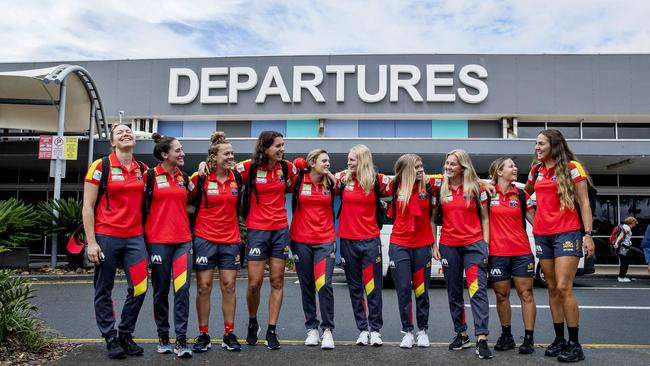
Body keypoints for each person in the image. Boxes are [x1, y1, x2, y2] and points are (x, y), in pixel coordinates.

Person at [524, 129, 595, 363]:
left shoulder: (573, 167)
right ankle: (559, 339)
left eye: (541, 143)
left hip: (568, 232)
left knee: (564, 287)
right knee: (552, 288)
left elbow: (584, 202)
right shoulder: (536, 171)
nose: (536, 147)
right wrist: (534, 219)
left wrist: (587, 234)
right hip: (543, 235)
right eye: (535, 143)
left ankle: (575, 345)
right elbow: (525, 196)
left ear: (553, 145)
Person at [83, 124, 148, 359]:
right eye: (119, 132)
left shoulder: (143, 169)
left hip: (134, 237)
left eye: (129, 131)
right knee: (104, 289)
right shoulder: (101, 166)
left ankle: (125, 334)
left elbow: (170, 171)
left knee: (141, 287)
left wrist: (203, 165)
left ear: (135, 140)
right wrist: (92, 242)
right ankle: (110, 337)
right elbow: (88, 206)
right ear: (112, 142)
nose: (126, 133)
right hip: (106, 235)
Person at [233, 131, 296, 350]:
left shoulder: (287, 168)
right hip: (257, 230)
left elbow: (309, 174)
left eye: (283, 145)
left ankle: (271, 329)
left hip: (280, 229)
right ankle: (253, 322)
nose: (282, 149)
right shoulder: (248, 167)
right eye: (277, 146)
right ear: (265, 148)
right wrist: (204, 165)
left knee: (277, 281)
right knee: (254, 283)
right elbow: (221, 171)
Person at [432, 149, 493, 359]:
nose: (448, 167)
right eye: (446, 164)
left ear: (463, 167)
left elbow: (485, 217)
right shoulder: (440, 186)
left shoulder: (477, 187)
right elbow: (433, 219)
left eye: (452, 164)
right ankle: (462, 333)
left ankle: (482, 337)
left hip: (474, 246)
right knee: (454, 292)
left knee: (477, 290)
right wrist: (434, 244)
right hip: (449, 246)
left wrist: (485, 243)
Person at [191, 132, 243, 353]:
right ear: (214, 156)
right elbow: (186, 205)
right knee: (203, 287)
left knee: (229, 286)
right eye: (227, 153)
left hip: (230, 240)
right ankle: (203, 333)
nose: (231, 157)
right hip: (204, 238)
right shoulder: (200, 178)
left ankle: (229, 333)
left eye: (232, 153)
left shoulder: (237, 178)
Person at [142, 133, 193, 358]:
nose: (182, 154)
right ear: (165, 154)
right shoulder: (149, 176)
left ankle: (181, 340)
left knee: (182, 291)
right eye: (178, 150)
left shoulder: (184, 177)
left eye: (182, 150)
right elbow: (139, 208)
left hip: (183, 242)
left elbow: (191, 205)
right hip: (158, 243)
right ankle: (163, 336)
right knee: (161, 291)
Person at [335, 144, 390, 347]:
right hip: (348, 240)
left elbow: (404, 181)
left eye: (352, 160)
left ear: (363, 160)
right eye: (348, 159)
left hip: (370, 240)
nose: (348, 163)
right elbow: (318, 176)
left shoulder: (377, 180)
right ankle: (362, 330)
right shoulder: (342, 178)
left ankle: (375, 330)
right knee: (355, 289)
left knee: (373, 288)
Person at [388, 154, 440, 349]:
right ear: (406, 170)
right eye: (416, 167)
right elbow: (362, 174)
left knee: (421, 290)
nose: (420, 170)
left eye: (421, 166)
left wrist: (434, 244)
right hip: (399, 243)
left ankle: (423, 330)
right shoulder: (393, 185)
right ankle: (407, 331)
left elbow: (462, 175)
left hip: (422, 244)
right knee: (403, 290)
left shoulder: (431, 185)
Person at [487, 157, 537, 354]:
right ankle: (506, 335)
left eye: (515, 165)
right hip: (497, 253)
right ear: (499, 171)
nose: (515, 168)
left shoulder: (522, 194)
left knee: (526, 294)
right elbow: (470, 180)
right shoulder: (487, 193)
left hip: (521, 252)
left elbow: (535, 220)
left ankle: (529, 338)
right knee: (501, 296)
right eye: (511, 166)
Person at [290, 149, 337, 349]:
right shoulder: (298, 180)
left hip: (325, 240)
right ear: (312, 163)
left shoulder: (333, 183)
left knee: (324, 284)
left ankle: (327, 330)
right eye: (324, 160)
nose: (328, 164)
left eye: (328, 161)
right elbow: (292, 163)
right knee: (307, 285)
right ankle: (312, 328)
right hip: (301, 240)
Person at [613, 216, 641, 282]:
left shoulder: (624, 226)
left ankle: (622, 277)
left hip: (623, 247)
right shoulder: (626, 227)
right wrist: (616, 243)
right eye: (634, 223)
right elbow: (621, 236)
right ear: (631, 222)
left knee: (624, 262)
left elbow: (625, 237)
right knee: (625, 263)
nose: (634, 225)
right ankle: (621, 277)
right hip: (623, 247)